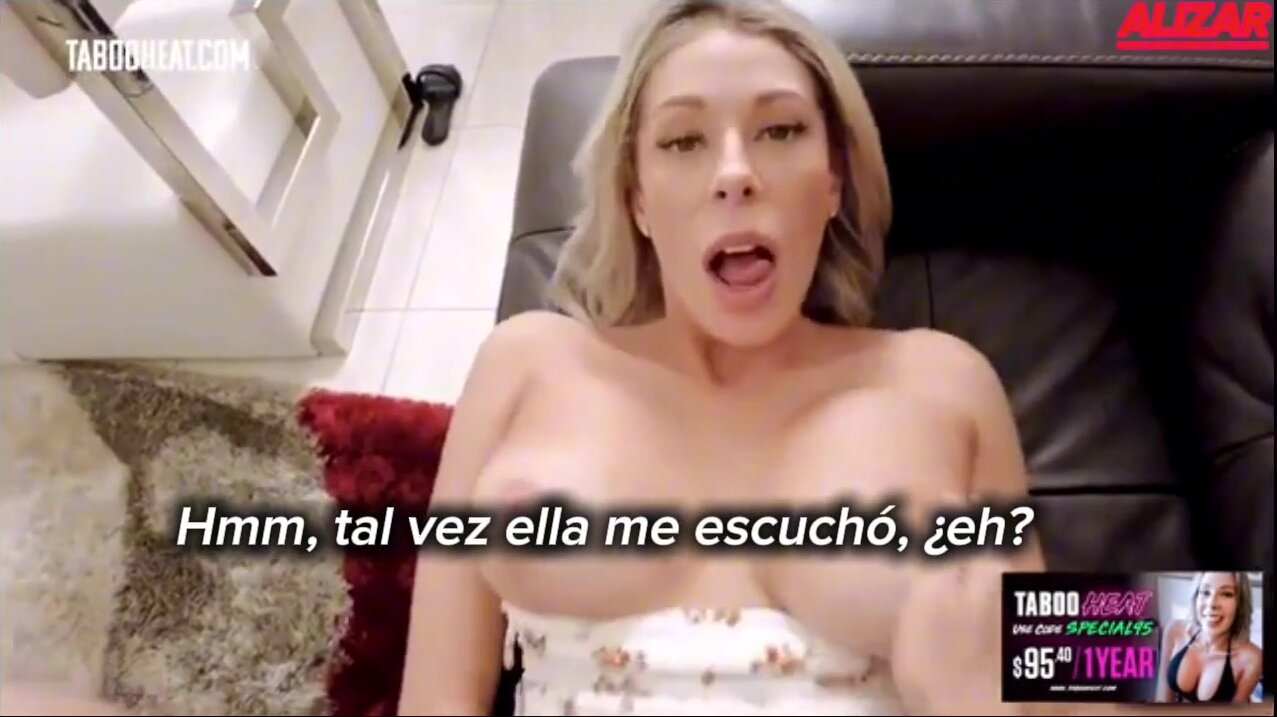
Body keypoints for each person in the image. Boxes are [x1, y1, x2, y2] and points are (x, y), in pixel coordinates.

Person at [396, 1, 1271, 716]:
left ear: (831, 182)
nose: (735, 172)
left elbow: (1064, 656)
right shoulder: (527, 363)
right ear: (637, 201)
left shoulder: (939, 378)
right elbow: (436, 698)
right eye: (682, 141)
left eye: (779, 131)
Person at [1156, 572, 1264, 704]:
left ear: (1240, 604)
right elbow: (1162, 698)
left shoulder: (1252, 658)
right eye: (1205, 592)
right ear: (1196, 596)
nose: (1212, 604)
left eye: (1226, 594)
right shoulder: (1174, 631)